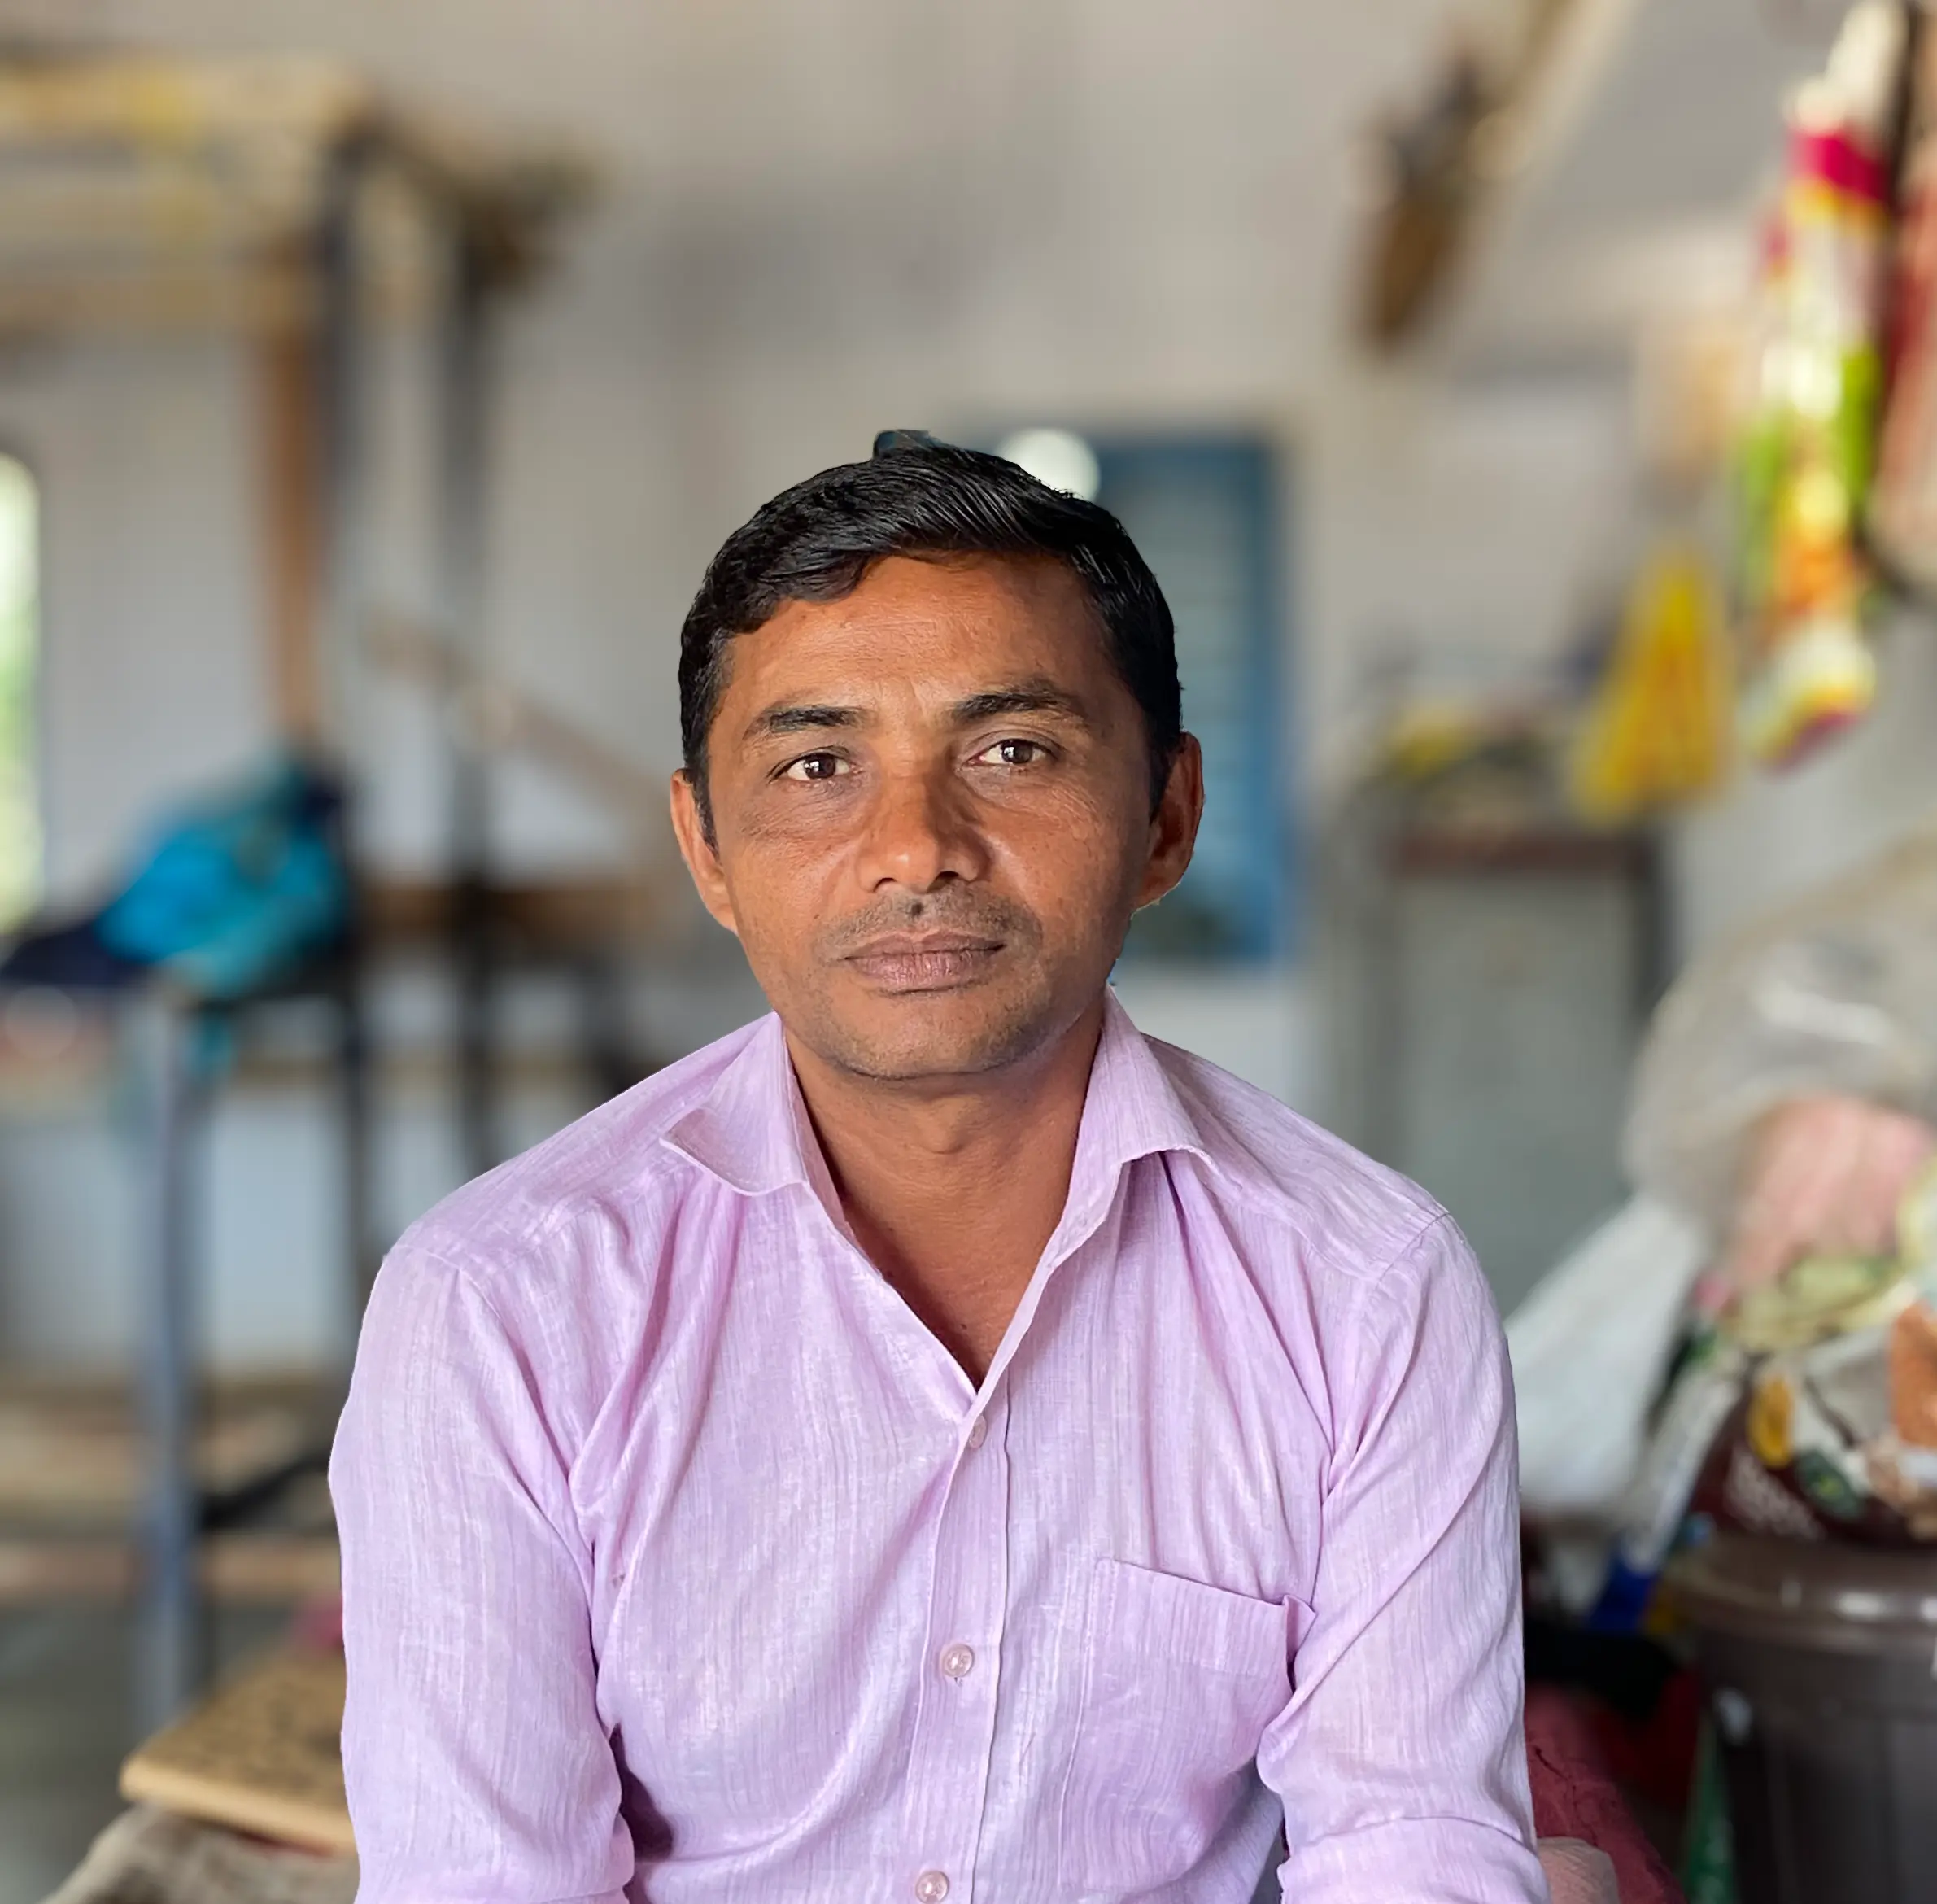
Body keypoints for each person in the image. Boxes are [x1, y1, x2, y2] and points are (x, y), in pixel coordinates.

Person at [331, 439, 1543, 1903]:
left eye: (1012, 752)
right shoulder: (500, 1307)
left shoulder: (1366, 1291)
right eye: (817, 766)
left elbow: (1414, 1850)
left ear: (1166, 816)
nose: (916, 849)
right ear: (706, 848)